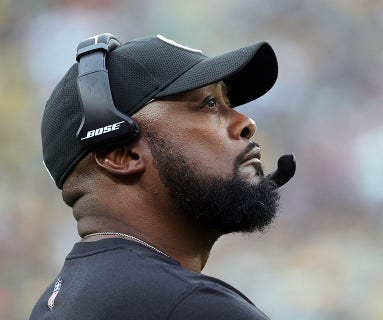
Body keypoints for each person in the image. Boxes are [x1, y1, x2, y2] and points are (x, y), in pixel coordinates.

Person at [30, 33, 294, 319]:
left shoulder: (53, 304)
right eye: (208, 104)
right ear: (122, 155)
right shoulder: (191, 307)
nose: (246, 122)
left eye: (227, 102)